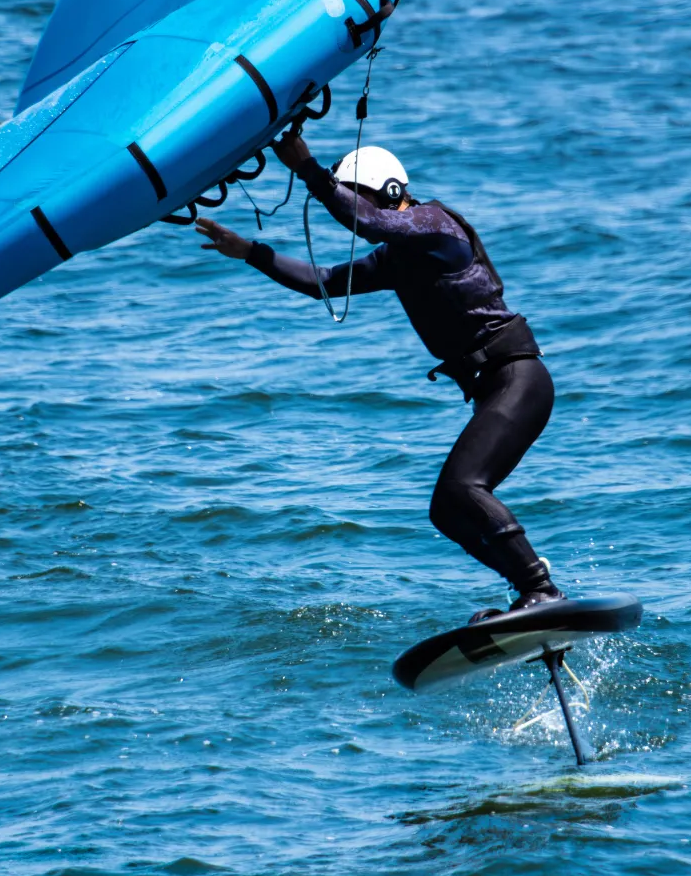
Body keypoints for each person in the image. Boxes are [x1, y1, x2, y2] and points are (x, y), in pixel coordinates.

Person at [194, 131, 563, 618]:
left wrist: (309, 168)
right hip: (492, 387)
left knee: (463, 488)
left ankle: (542, 590)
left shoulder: (435, 225)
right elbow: (324, 282)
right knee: (446, 510)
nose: (352, 208)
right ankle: (527, 592)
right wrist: (250, 253)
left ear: (390, 192)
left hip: (518, 378)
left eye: (355, 193)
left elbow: (367, 220)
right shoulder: (399, 258)